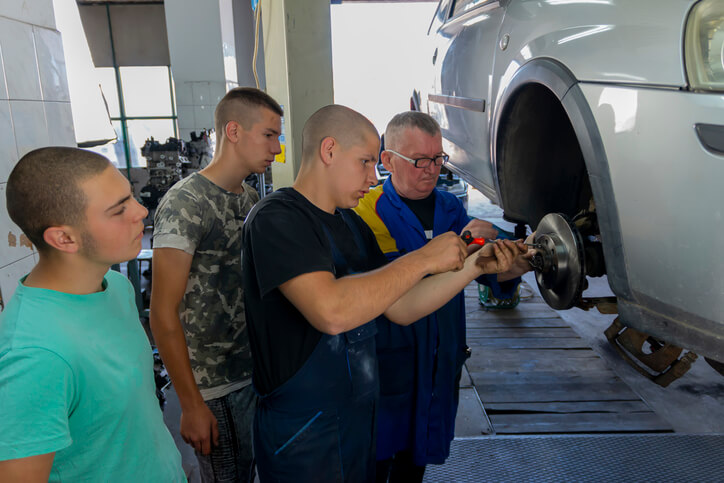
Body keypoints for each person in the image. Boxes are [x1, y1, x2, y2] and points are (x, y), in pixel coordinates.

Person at [241, 104, 528, 482]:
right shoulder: (277, 218)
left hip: (356, 423)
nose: (373, 175)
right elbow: (331, 311)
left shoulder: (351, 224)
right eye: (364, 162)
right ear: (329, 151)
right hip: (303, 435)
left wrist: (477, 266)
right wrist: (424, 258)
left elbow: (403, 306)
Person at [353, 111, 532, 481]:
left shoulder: (451, 208)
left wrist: (517, 262)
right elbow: (392, 293)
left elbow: (488, 275)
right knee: (374, 460)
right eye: (419, 160)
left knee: (416, 462)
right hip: (390, 368)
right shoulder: (367, 215)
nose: (431, 170)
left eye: (438, 159)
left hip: (437, 363)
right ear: (387, 160)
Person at [0, 147, 185, 482]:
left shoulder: (115, 287)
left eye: (130, 197)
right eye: (119, 210)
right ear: (64, 238)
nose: (141, 211)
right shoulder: (36, 355)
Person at [150, 87, 282, 482]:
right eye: (269, 134)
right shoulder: (186, 203)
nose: (277, 147)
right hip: (213, 385)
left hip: (251, 371)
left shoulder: (247, 197)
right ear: (235, 131)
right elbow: (162, 312)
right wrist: (190, 404)